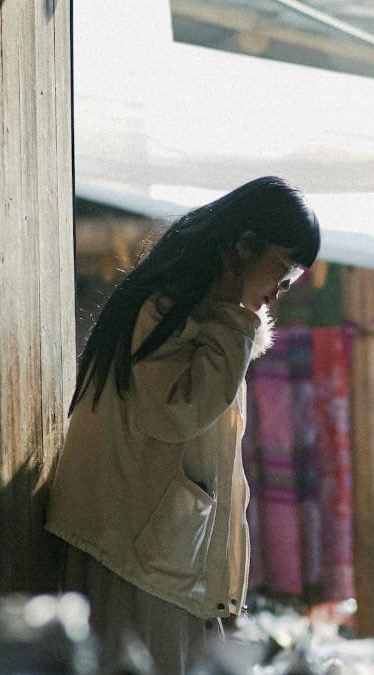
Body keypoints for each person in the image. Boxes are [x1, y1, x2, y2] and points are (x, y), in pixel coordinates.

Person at [46, 176, 321, 673]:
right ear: (242, 248)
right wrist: (240, 326)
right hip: (136, 554)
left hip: (152, 550)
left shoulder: (197, 313)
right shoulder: (169, 310)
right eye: (282, 269)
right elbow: (176, 413)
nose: (281, 290)